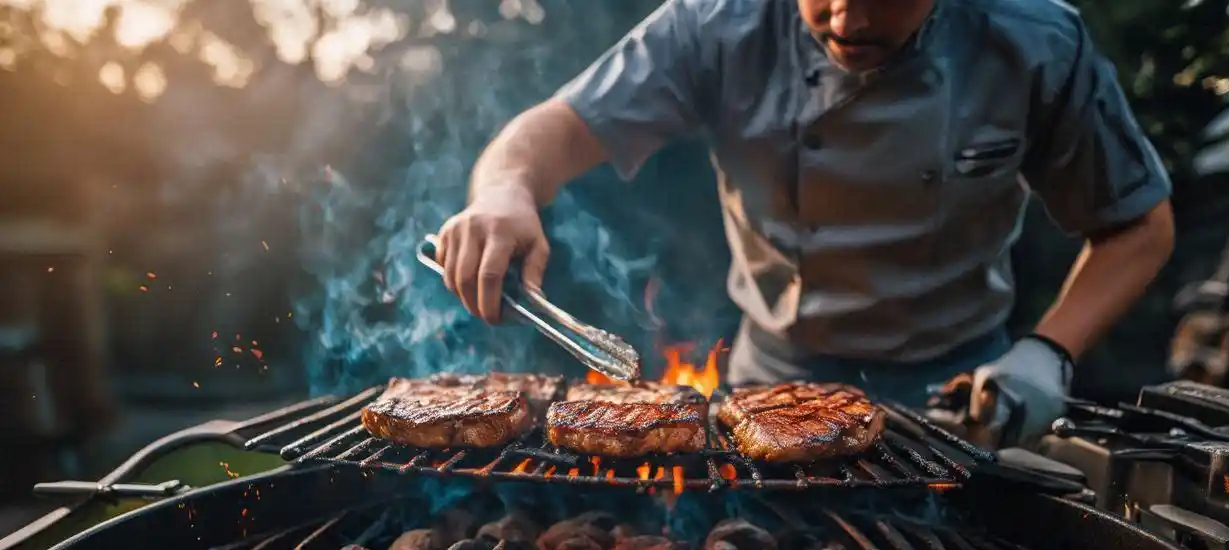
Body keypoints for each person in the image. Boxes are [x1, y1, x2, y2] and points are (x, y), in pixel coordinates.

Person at [433, 0, 1175, 441]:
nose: (848, 18)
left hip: (958, 396)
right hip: (768, 395)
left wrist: (1049, 353)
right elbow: (550, 134)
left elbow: (1138, 226)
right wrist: (503, 189)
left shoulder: (1035, 40)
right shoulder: (719, 25)